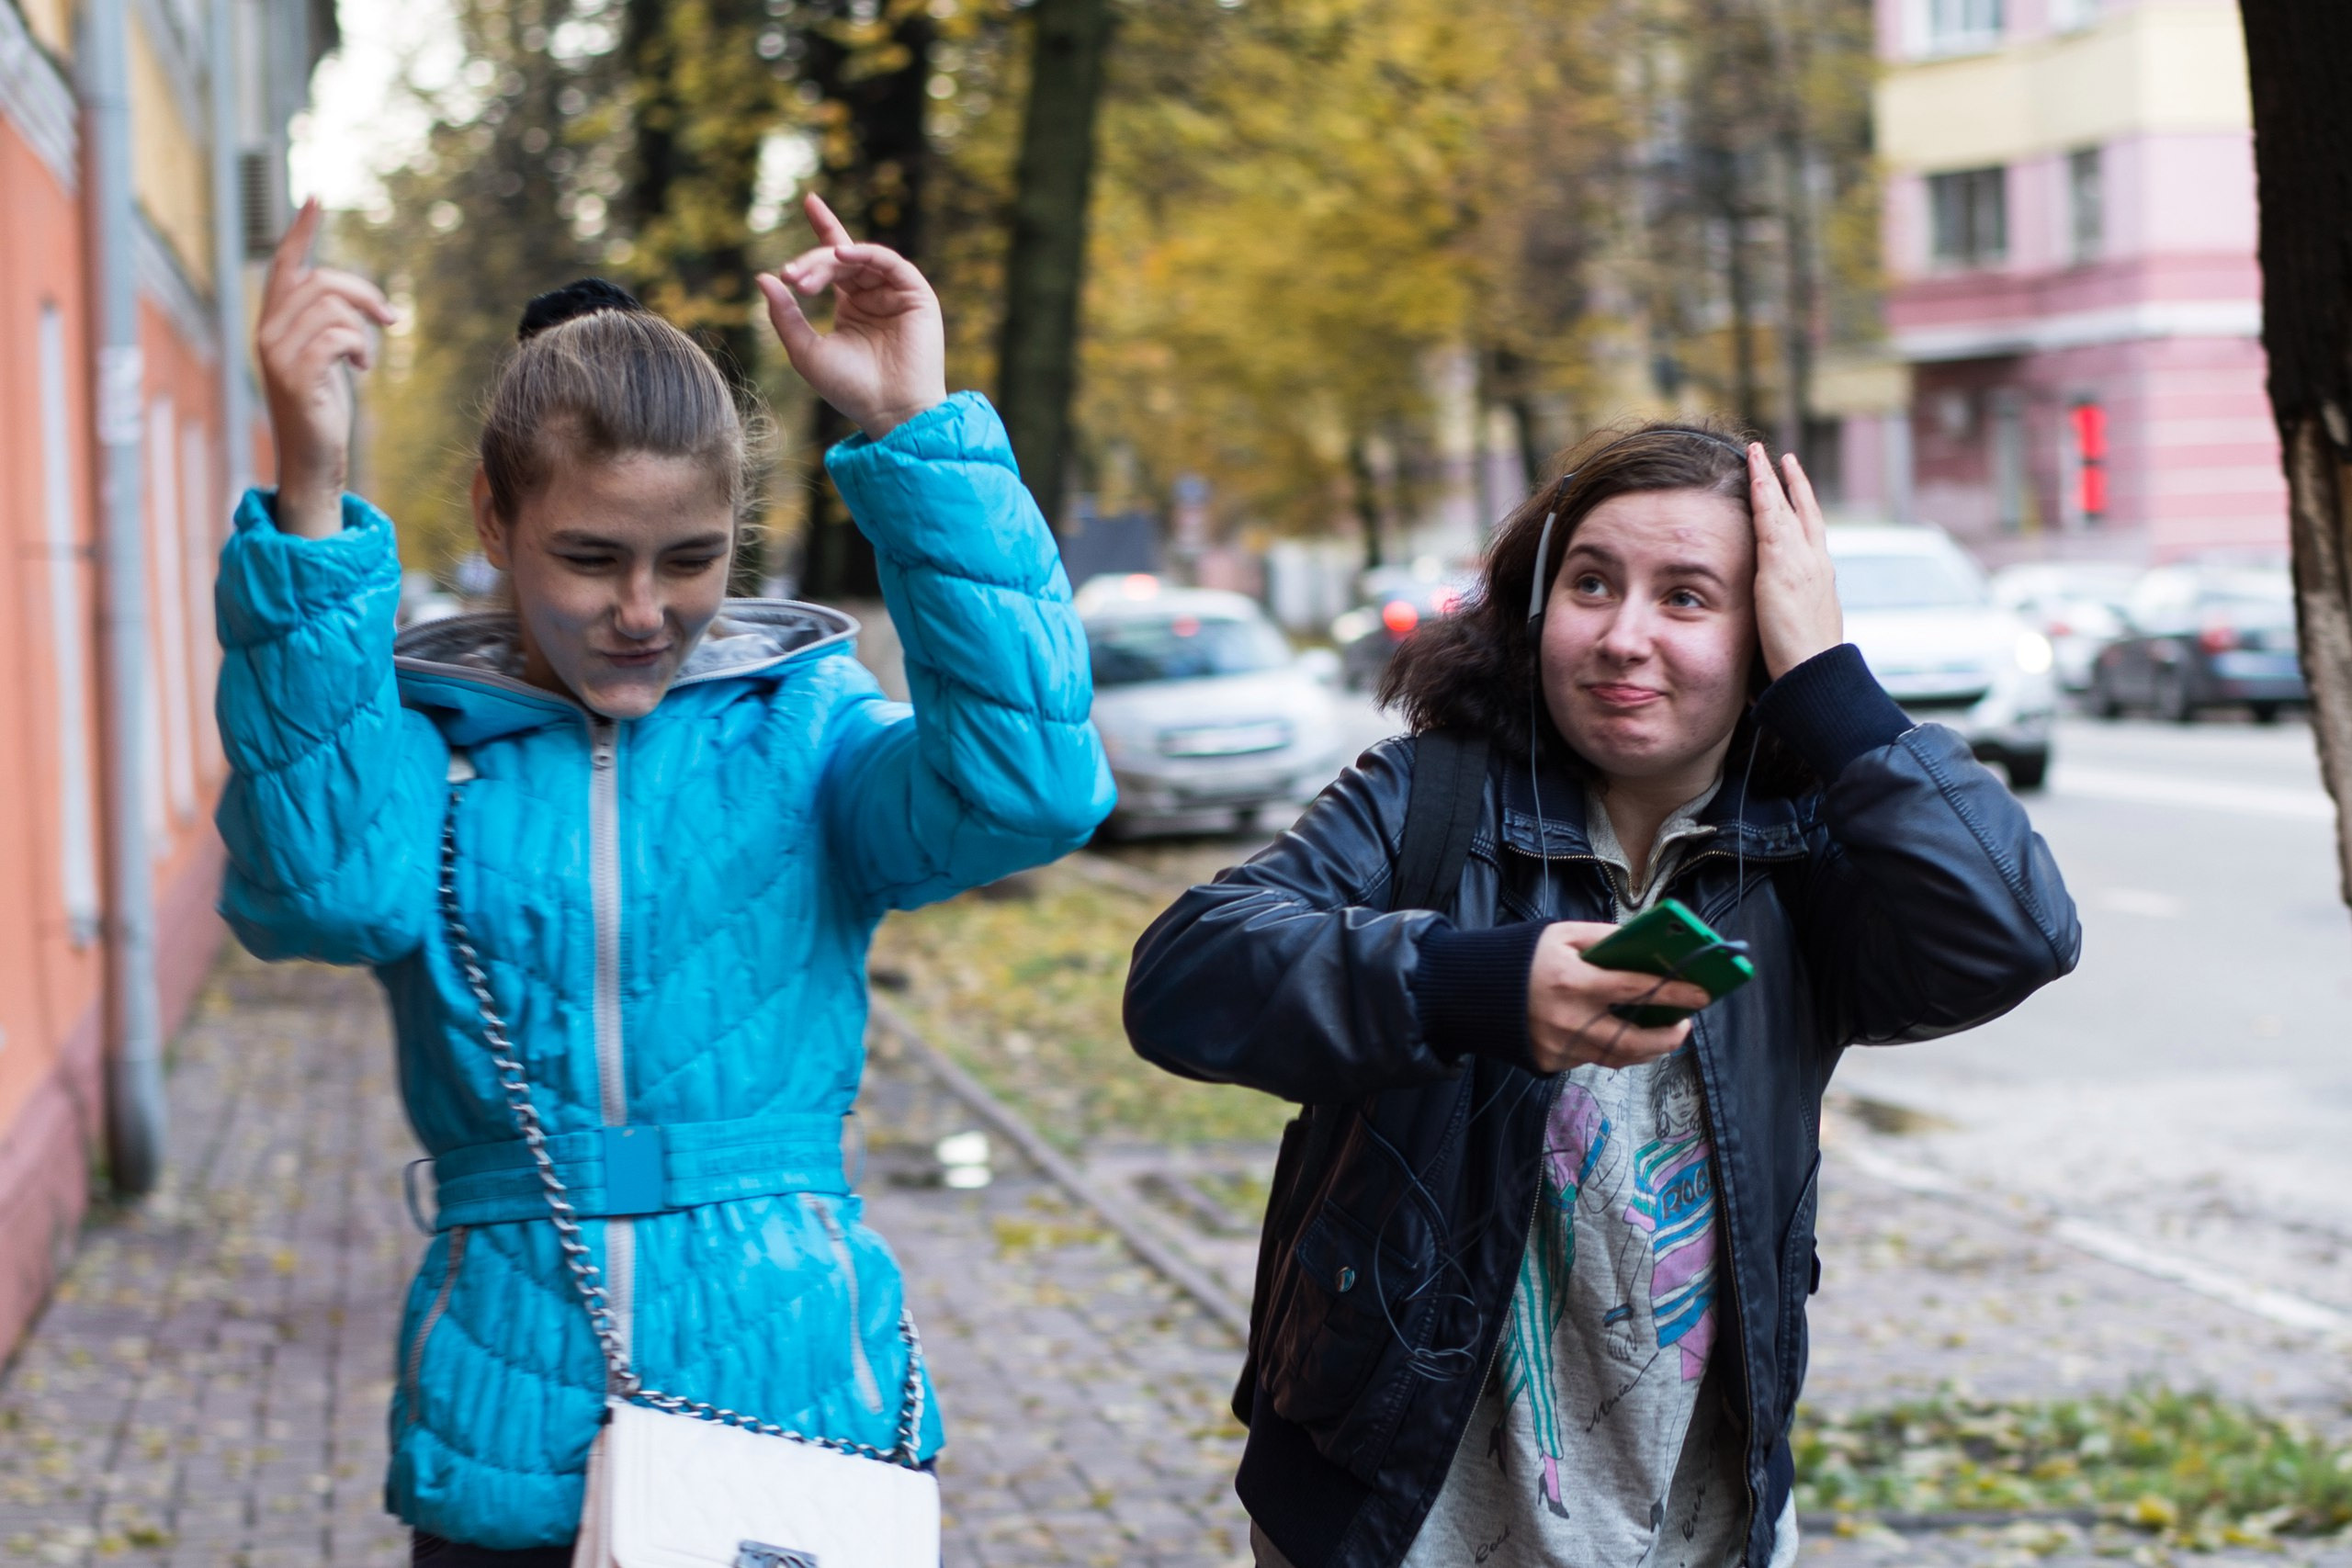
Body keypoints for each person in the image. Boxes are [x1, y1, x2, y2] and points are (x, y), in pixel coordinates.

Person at [219, 195, 1111, 1561]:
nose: (643, 609)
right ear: (496, 520)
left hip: (786, 1398)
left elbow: (1031, 790)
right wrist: (311, 490)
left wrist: (915, 435)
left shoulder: (804, 733)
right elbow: (322, 889)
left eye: (687, 559)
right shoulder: (412, 741)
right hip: (510, 1401)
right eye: (589, 558)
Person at [1123, 424, 2080, 1568]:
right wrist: (1465, 984)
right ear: (1537, 603)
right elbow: (1187, 975)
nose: (1623, 638)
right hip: (1386, 1512)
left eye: (1688, 598)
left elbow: (2017, 934)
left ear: (1765, 629)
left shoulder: (1810, 857)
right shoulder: (1427, 800)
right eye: (1590, 584)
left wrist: (1831, 691)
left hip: (1696, 1518)